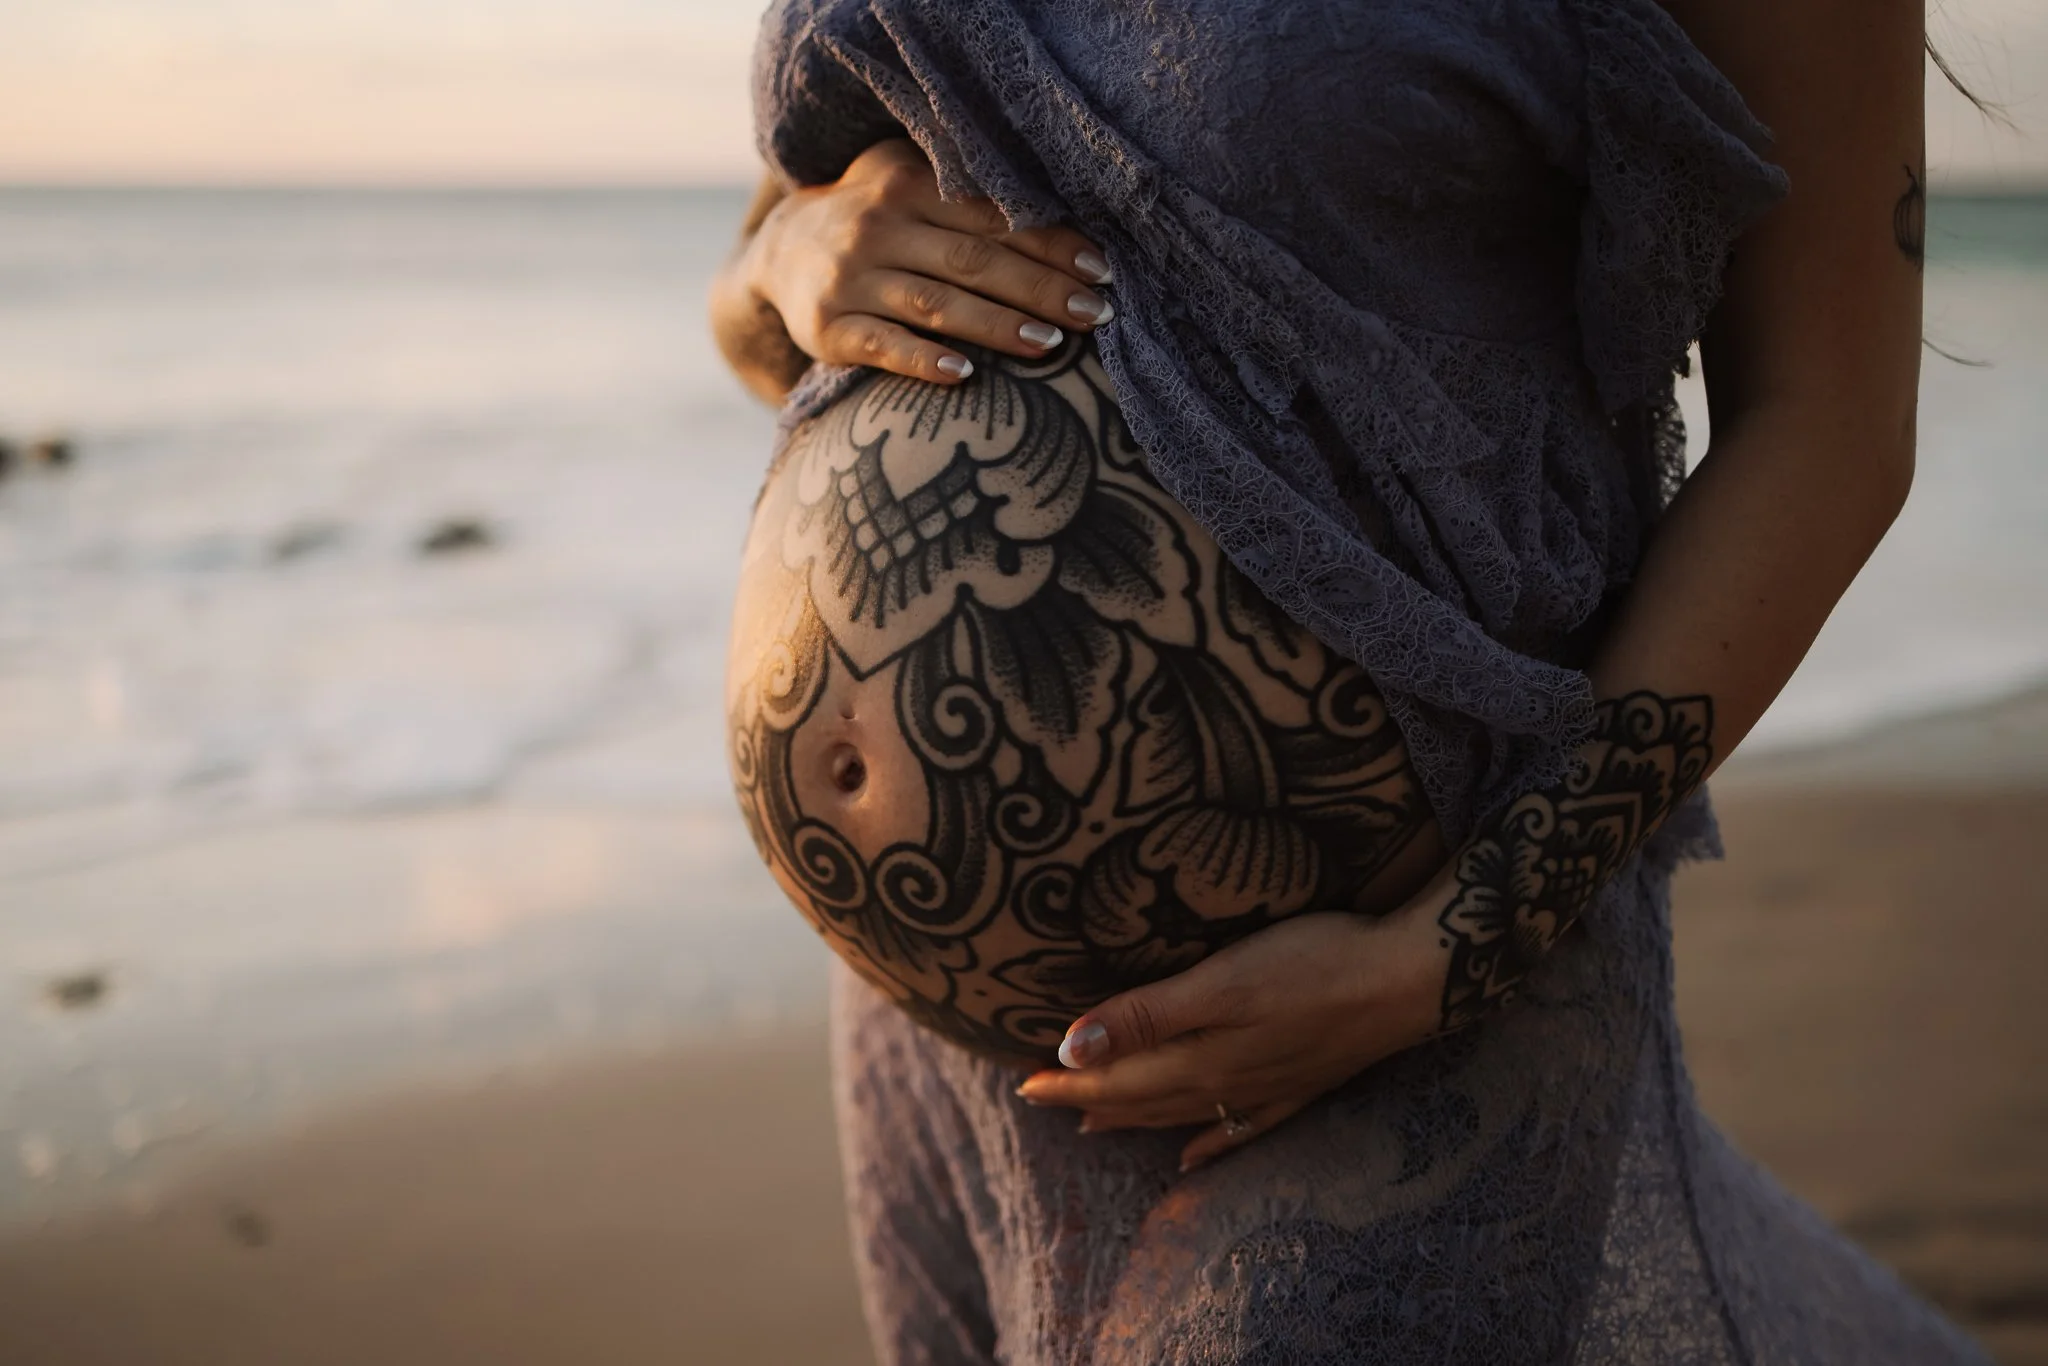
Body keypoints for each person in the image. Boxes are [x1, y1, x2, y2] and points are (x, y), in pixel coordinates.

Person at [710, 0, 1990, 1360]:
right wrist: (785, 258)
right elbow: (775, 275)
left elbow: (1832, 422)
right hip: (948, 1030)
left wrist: (1448, 951)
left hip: (1391, 976)